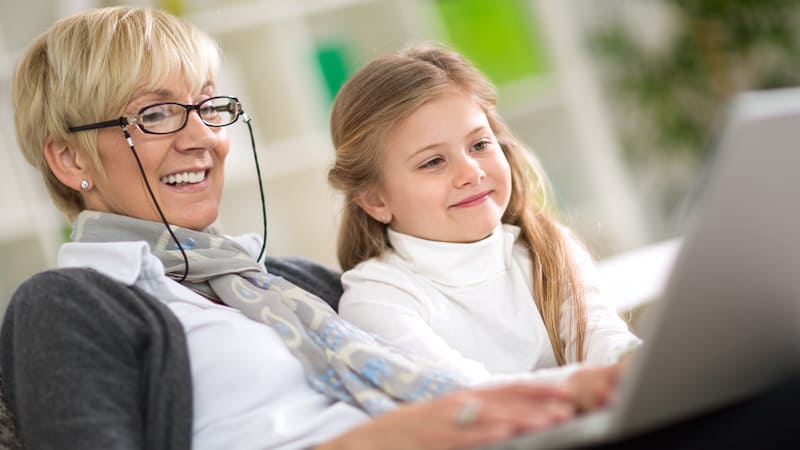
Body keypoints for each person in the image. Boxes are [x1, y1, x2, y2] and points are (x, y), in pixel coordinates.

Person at [0, 6, 585, 449]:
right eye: (155, 114)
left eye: (208, 105)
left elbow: (458, 360)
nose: (202, 136)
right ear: (70, 160)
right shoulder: (67, 305)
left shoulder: (287, 282)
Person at [328, 45, 640, 396]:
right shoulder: (377, 297)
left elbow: (603, 340)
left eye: (479, 145)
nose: (471, 172)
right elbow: (465, 392)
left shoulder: (548, 248)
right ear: (375, 200)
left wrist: (634, 366)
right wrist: (586, 384)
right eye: (432, 162)